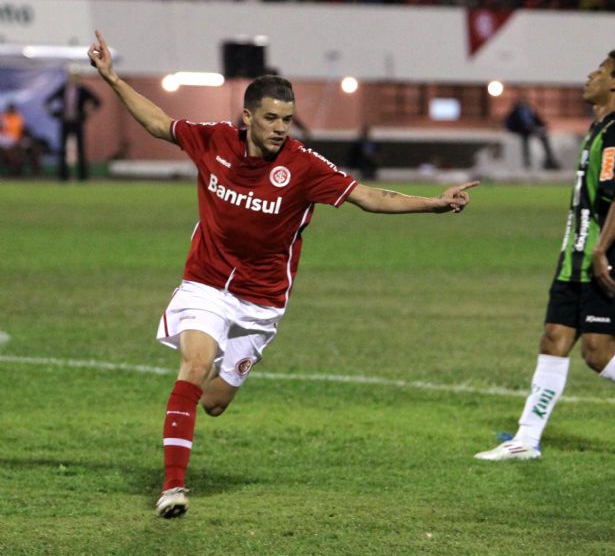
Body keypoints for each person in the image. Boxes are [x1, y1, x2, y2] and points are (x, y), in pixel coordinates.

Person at [87, 30, 478, 519]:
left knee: (214, 402)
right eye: (271, 118)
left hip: (262, 302)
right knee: (192, 368)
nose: (280, 128)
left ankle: (189, 405)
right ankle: (172, 488)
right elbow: (160, 124)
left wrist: (433, 205)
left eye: (287, 120)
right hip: (206, 283)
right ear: (248, 116)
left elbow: (369, 197)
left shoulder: (304, 166)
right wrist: (114, 79)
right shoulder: (213, 142)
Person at [475, 49, 615, 463]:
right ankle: (526, 439)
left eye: (600, 71)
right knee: (553, 338)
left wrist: (600, 249)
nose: (590, 76)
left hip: (606, 255)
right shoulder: (597, 129)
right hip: (575, 255)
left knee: (597, 352)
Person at [45, 68, 101, 181]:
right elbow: (48, 100)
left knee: (81, 149)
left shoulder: (82, 90)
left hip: (77, 122)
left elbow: (97, 101)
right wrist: (55, 113)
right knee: (63, 149)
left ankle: (83, 176)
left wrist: (87, 113)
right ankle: (63, 176)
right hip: (65, 122)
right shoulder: (63, 88)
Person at [504, 94, 561, 170]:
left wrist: (543, 126)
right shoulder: (516, 111)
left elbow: (538, 120)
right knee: (525, 141)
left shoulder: (530, 110)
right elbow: (518, 124)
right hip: (522, 131)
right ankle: (527, 162)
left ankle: (549, 159)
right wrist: (532, 128)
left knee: (544, 137)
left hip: (530, 130)